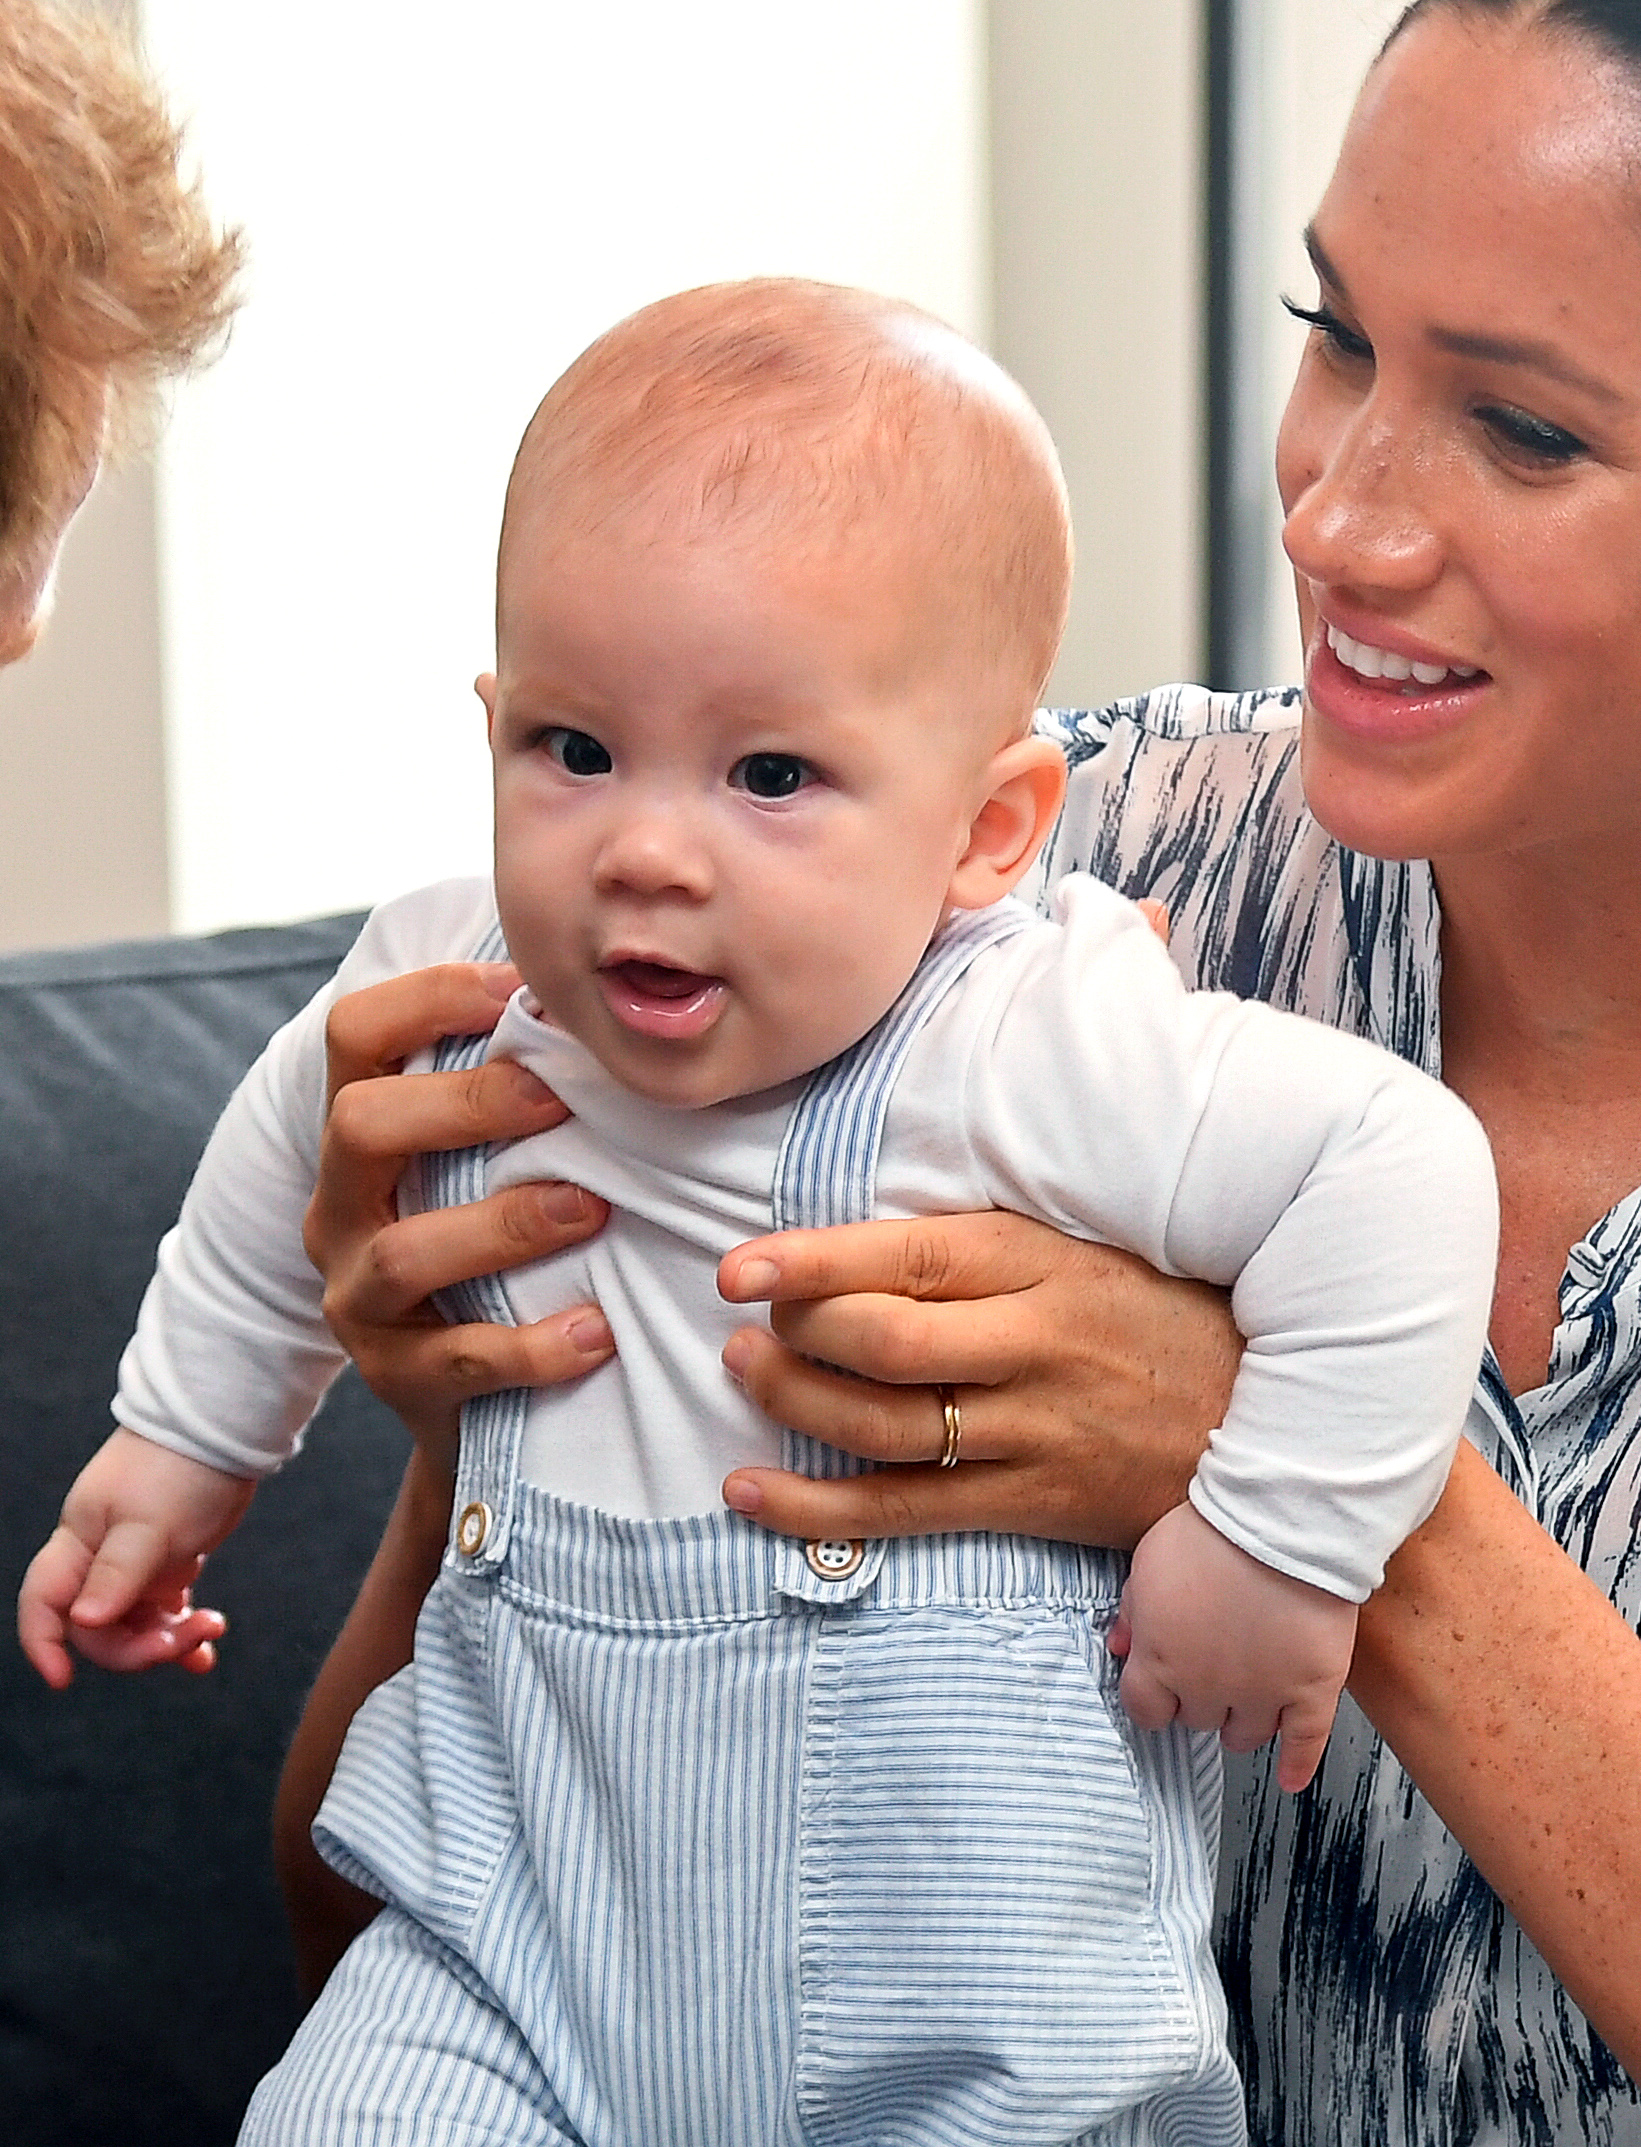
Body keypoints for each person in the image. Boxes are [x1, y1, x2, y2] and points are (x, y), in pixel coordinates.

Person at [275, 3, 1641, 2144]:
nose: (1339, 518)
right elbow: (370, 1945)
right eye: (1335, 334)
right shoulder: (1003, 871)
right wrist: (484, 1388)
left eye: (1531, 435)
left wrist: (1289, 1486)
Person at [17, 276, 1500, 2145]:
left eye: (770, 776)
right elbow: (276, 1150)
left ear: (984, 834)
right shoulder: (461, 980)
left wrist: (1276, 1544)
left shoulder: (1031, 1038)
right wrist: (183, 1447)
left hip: (964, 2025)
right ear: (489, 721)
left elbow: (1388, 1167)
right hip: (507, 1961)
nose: (644, 846)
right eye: (571, 749)